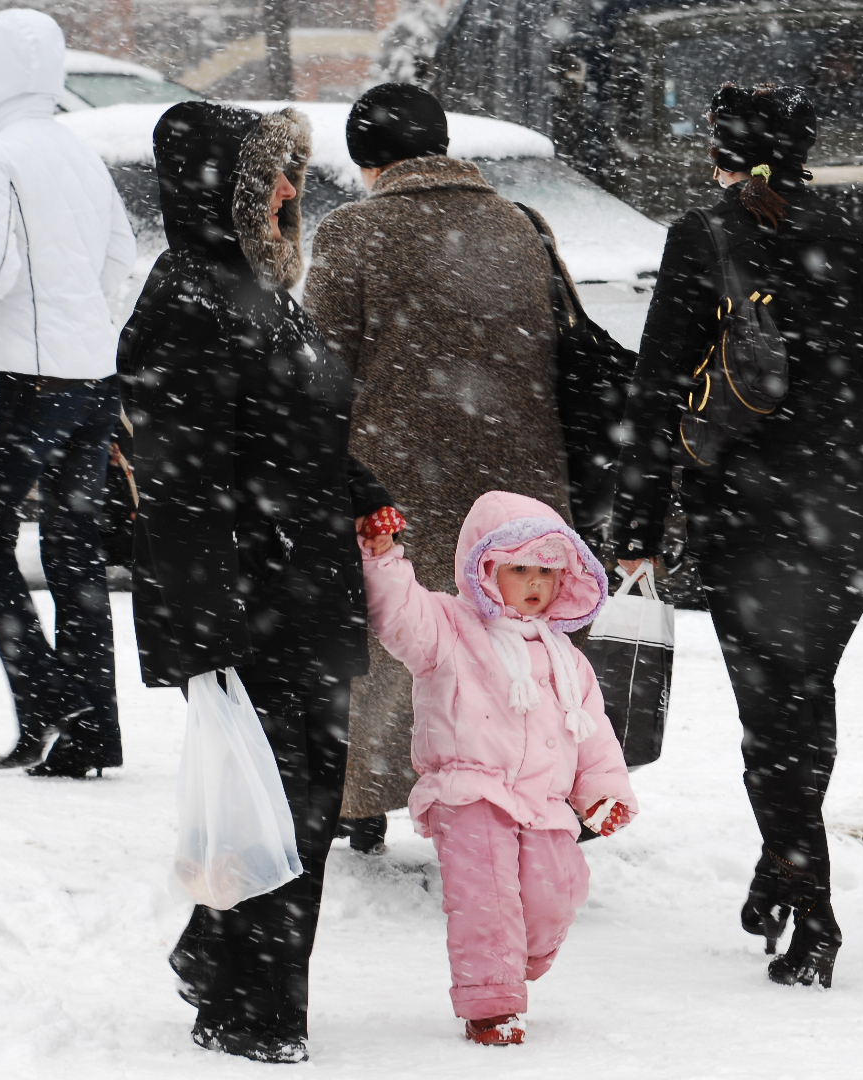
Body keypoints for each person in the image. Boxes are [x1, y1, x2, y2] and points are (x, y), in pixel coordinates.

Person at [612, 83, 863, 988]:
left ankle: (811, 907)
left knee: (770, 718)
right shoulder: (862, 241)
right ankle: (778, 867)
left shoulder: (701, 239)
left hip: (749, 512)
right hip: (849, 507)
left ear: (718, 151)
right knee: (804, 699)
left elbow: (656, 391)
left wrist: (634, 530)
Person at [119, 100, 391, 1064]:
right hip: (249, 603)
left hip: (301, 587)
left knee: (293, 808)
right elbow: (184, 483)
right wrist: (207, 634)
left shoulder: (258, 287)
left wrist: (358, 486)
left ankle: (217, 959)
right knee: (290, 810)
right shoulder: (187, 297)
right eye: (273, 172)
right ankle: (258, 1013)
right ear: (221, 191)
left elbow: (290, 430)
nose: (291, 191)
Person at [304, 82, 577, 853]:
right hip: (521, 484)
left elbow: (321, 372)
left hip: (400, 483)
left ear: (367, 159)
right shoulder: (522, 225)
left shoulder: (352, 234)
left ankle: (365, 796)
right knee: (507, 643)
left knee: (397, 645)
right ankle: (524, 792)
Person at [358, 491, 635, 1046]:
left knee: (557, 890)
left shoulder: (566, 656)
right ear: (485, 569)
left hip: (545, 800)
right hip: (470, 789)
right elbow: (398, 614)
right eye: (520, 568)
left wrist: (604, 790)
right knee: (485, 897)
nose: (537, 583)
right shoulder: (448, 628)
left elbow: (592, 730)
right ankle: (491, 1004)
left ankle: (510, 963)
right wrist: (383, 555)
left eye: (549, 571)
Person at [0, 9, 138, 777]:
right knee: (73, 548)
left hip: (34, 376)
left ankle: (53, 697)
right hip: (94, 375)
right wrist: (90, 324)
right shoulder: (79, 152)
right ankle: (90, 731)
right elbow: (122, 256)